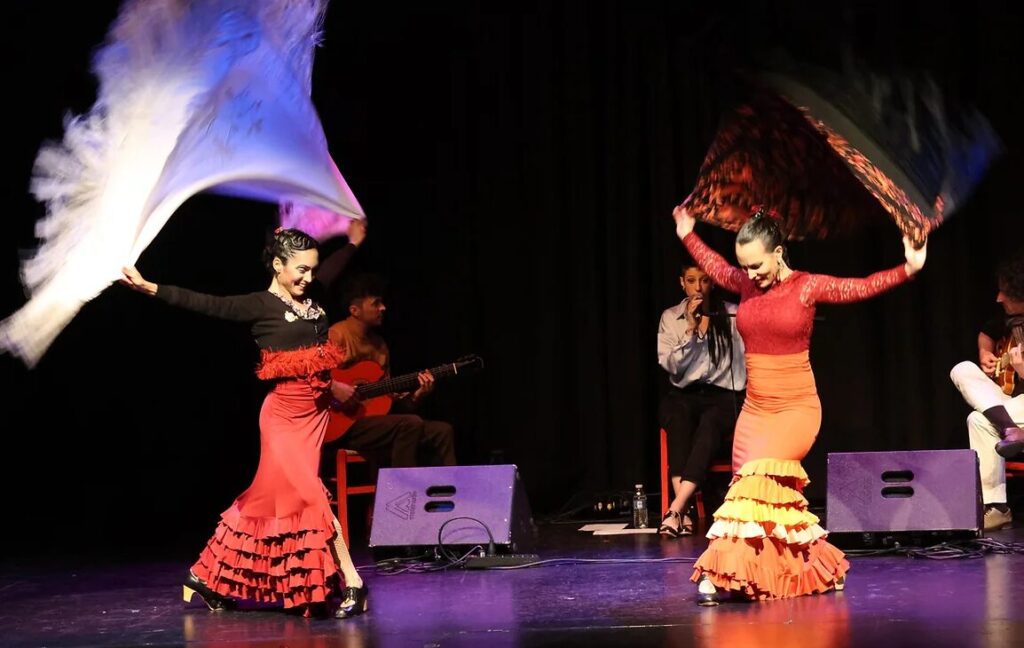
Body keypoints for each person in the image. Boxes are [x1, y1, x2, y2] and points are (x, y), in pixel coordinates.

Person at [673, 204, 927, 605]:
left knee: (756, 483)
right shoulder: (744, 282)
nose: (750, 274)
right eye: (745, 266)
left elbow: (857, 287)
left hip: (795, 408)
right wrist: (687, 231)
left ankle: (726, 575)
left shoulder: (807, 286)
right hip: (755, 410)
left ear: (777, 253)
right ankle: (811, 567)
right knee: (761, 499)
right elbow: (716, 266)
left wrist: (908, 268)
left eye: (757, 265)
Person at [120, 223, 368, 619]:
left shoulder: (314, 293)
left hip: (314, 417)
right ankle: (354, 582)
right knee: (314, 497)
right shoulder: (260, 304)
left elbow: (335, 267)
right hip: (283, 419)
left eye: (312, 270)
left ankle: (202, 577)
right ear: (277, 265)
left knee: (261, 503)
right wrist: (150, 287)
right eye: (300, 270)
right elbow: (208, 303)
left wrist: (353, 242)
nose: (308, 277)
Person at [327, 274, 456, 467]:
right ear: (355, 310)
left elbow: (388, 402)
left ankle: (446, 493)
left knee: (442, 431)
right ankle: (401, 494)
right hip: (342, 425)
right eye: (376, 303)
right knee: (410, 424)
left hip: (375, 423)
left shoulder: (380, 346)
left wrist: (416, 396)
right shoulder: (337, 335)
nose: (383, 308)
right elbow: (319, 382)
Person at [657, 263, 746, 537]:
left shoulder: (732, 315)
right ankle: (680, 510)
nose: (698, 287)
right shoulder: (671, 318)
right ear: (682, 283)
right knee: (678, 417)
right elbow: (672, 367)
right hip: (685, 393)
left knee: (710, 424)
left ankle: (676, 509)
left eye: (704, 280)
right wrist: (691, 332)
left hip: (722, 395)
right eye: (691, 280)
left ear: (712, 283)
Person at [949, 254, 1024, 531]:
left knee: (978, 420)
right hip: (1013, 406)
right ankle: (1011, 430)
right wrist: (984, 351)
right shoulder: (1010, 319)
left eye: (1006, 291)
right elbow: (986, 333)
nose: (999, 298)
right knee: (962, 369)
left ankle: (996, 506)